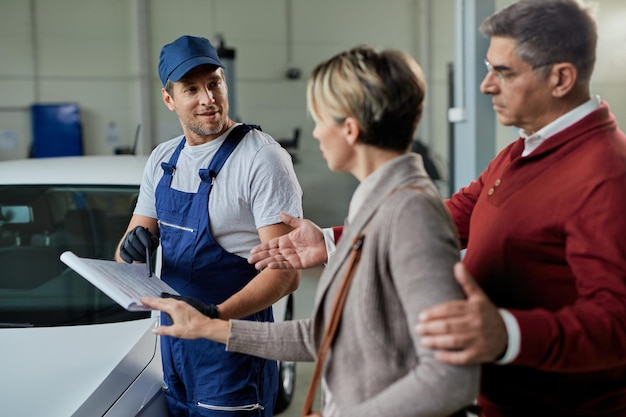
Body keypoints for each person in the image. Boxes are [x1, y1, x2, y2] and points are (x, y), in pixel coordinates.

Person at [246, 1, 626, 416]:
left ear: (561, 78)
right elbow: (456, 214)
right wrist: (333, 240)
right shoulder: (523, 151)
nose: (485, 85)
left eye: (503, 72)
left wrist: (509, 334)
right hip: (498, 399)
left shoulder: (604, 173)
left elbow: (617, 324)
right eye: (489, 67)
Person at [142, 45, 479, 417]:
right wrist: (210, 327)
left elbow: (450, 379)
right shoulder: (375, 207)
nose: (316, 133)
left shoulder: (410, 213)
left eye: (319, 119)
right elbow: (326, 334)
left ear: (350, 129)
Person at [114, 35, 303, 416]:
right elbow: (124, 257)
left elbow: (286, 275)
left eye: (214, 83)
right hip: (175, 342)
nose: (208, 99)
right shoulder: (163, 159)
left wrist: (215, 319)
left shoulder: (262, 159)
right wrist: (132, 247)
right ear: (169, 99)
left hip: (234, 346)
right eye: (191, 89)